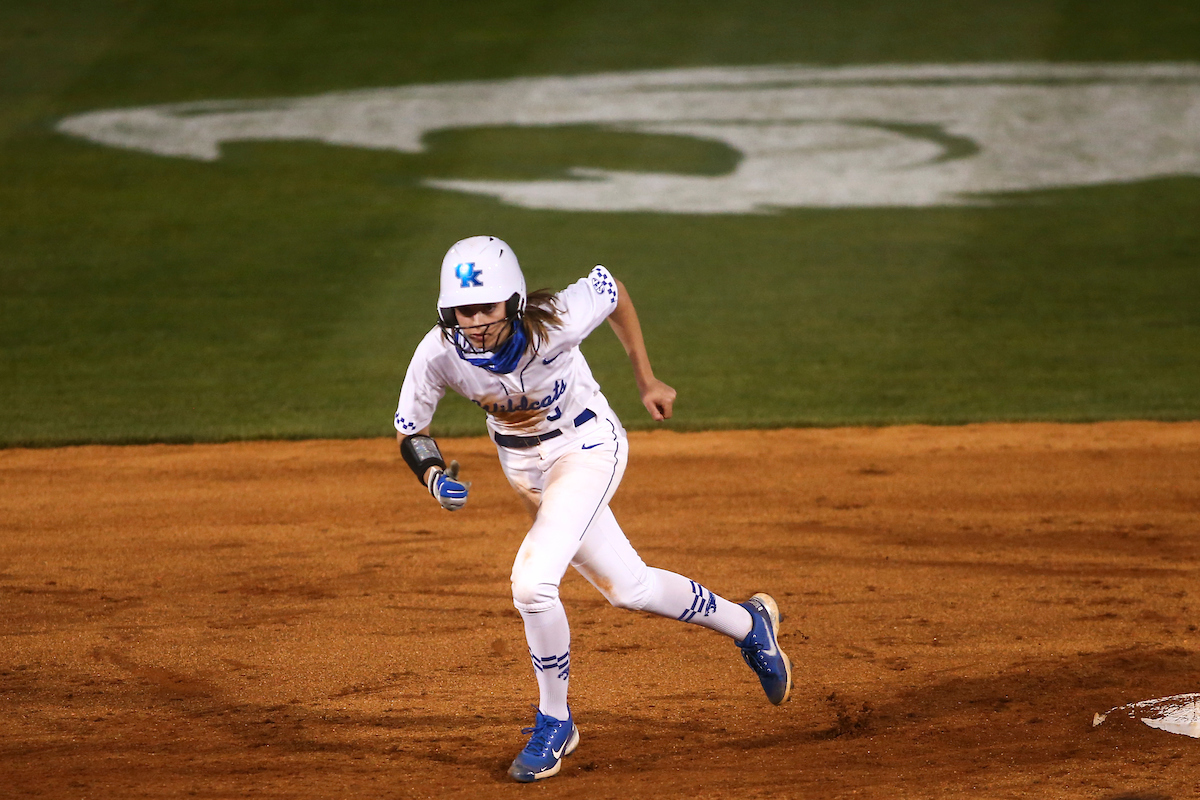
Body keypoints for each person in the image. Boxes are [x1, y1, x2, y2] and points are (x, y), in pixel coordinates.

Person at [394, 235, 793, 783]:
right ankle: (750, 624)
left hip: (587, 447)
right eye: (465, 310)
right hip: (526, 472)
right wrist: (434, 475)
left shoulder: (556, 318)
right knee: (630, 589)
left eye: (486, 308)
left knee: (532, 586)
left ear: (511, 302)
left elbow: (615, 292)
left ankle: (555, 721)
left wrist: (645, 379)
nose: (476, 321)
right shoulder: (438, 352)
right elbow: (411, 428)